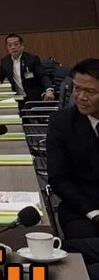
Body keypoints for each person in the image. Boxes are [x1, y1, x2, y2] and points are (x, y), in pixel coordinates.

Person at [46, 58, 99, 239]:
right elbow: (59, 179)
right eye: (77, 89)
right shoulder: (61, 123)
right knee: (84, 244)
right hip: (82, 208)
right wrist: (93, 212)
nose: (81, 97)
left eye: (90, 91)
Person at [0, 34, 55, 102]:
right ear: (7, 47)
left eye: (16, 44)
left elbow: (43, 76)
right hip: (18, 98)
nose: (13, 47)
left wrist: (49, 90)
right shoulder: (5, 61)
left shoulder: (32, 59)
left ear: (21, 46)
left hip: (35, 97)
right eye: (10, 45)